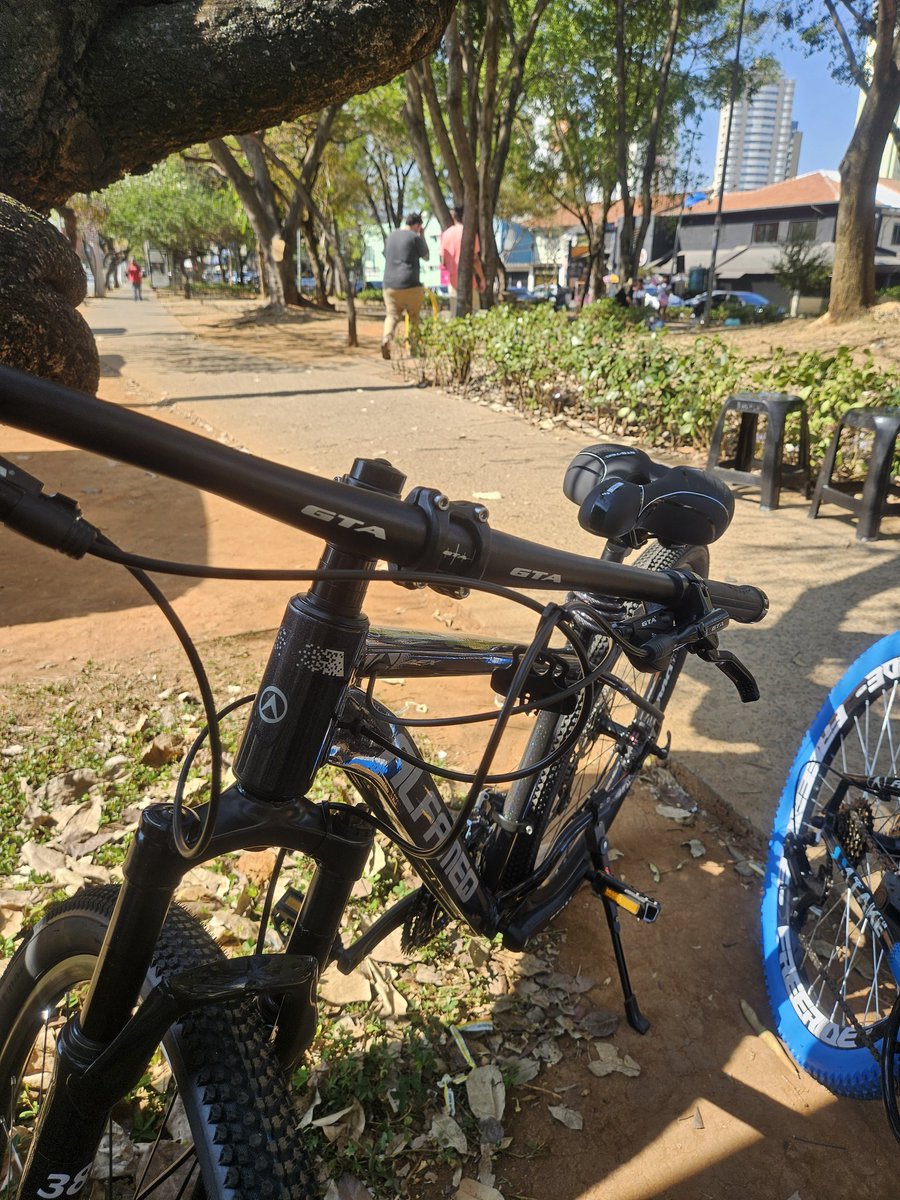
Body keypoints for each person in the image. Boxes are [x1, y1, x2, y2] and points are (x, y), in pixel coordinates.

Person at [381, 213, 429, 360]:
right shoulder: (415, 237)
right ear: (417, 226)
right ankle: (413, 348)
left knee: (392, 315)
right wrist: (422, 235)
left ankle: (386, 339)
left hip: (390, 285)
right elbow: (426, 256)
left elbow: (386, 255)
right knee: (414, 317)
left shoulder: (390, 236)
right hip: (411, 284)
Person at [439, 204, 486, 318]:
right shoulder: (470, 234)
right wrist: (482, 279)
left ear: (454, 216)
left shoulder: (445, 234)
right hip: (469, 280)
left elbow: (443, 261)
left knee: (455, 315)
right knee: (474, 314)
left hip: (453, 280)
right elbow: (475, 260)